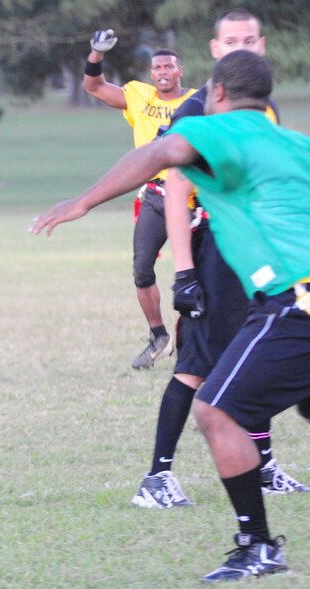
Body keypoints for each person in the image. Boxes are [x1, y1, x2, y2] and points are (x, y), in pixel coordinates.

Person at [32, 49, 310, 583]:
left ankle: (257, 547)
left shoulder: (217, 130)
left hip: (303, 295)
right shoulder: (301, 145)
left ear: (217, 94)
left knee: (217, 412)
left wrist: (83, 201)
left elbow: (160, 152)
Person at [131, 8, 310, 509]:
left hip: (255, 252)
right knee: (195, 366)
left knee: (255, 358)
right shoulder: (197, 109)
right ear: (214, 49)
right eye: (231, 41)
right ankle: (156, 478)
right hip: (215, 249)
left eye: (249, 40)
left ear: (262, 44)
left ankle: (264, 465)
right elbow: (175, 189)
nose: (240, 48)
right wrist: (185, 273)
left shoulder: (263, 106)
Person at [83, 32, 195, 369]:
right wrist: (96, 54)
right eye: (157, 67)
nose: (162, 72)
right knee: (142, 268)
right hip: (155, 196)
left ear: (180, 71)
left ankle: (196, 343)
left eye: (169, 66)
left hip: (193, 198)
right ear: (151, 73)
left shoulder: (196, 101)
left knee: (199, 273)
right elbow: (94, 87)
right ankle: (159, 336)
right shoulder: (139, 96)